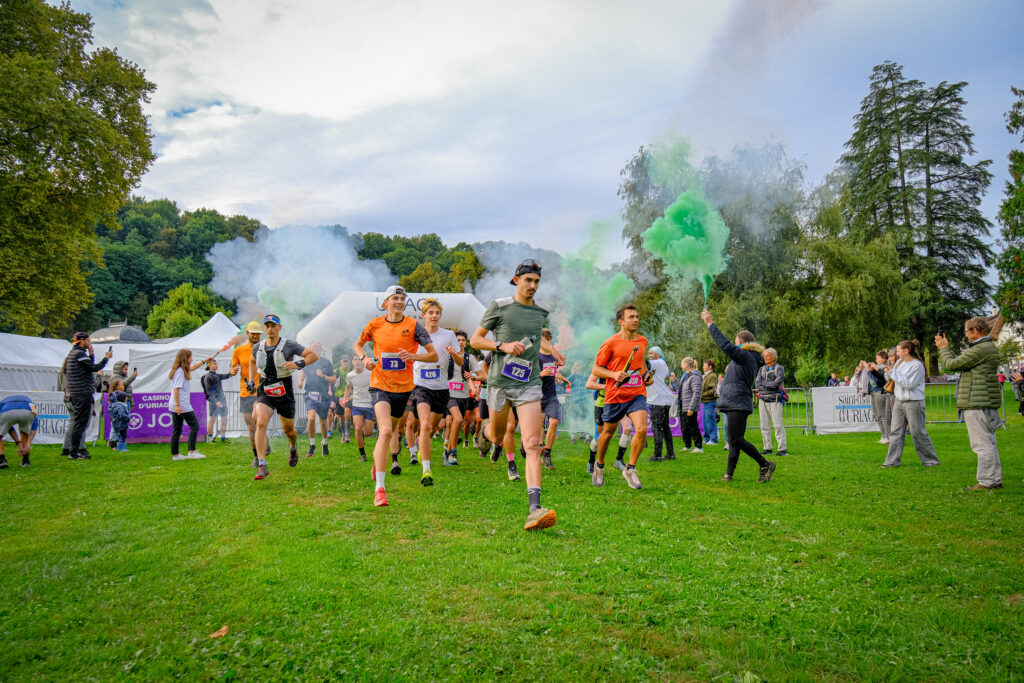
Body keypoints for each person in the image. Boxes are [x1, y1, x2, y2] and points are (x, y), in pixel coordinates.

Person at [470, 259, 558, 530]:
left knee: (532, 443)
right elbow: (475, 340)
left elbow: (536, 337)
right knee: (498, 436)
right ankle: (484, 434)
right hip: (499, 383)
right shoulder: (500, 306)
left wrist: (554, 351)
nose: (533, 285)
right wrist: (503, 346)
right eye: (528, 280)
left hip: (528, 383)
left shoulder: (542, 310)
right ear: (516, 280)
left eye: (537, 281)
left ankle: (534, 509)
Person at [354, 285, 437, 506]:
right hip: (380, 385)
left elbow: (433, 355)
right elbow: (358, 345)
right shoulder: (375, 324)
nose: (399, 302)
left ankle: (377, 460)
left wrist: (411, 355)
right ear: (386, 303)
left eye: (402, 298)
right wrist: (364, 359)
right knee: (385, 431)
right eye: (395, 298)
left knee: (392, 430)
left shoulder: (414, 326)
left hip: (403, 389)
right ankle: (380, 489)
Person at [701, 310, 776, 483]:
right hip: (735, 401)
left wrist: (710, 324)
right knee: (734, 440)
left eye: (736, 340)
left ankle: (765, 464)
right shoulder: (745, 357)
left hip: (738, 402)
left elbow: (726, 346)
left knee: (736, 439)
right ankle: (729, 474)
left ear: (742, 342)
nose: (735, 343)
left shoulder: (745, 355)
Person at [250, 314, 319, 480]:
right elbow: (252, 361)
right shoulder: (258, 347)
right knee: (260, 421)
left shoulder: (289, 345)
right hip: (265, 388)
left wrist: (297, 364)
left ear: (279, 327)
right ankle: (262, 465)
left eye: (273, 326)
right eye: (267, 326)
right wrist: (252, 380)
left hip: (284, 390)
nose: (270, 329)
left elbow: (312, 355)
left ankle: (293, 447)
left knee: (289, 430)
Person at [937, 318, 1002, 490]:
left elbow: (951, 364)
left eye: (966, 331)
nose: (965, 335)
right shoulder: (986, 347)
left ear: (975, 330)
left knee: (982, 444)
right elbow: (960, 363)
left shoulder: (980, 349)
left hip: (977, 402)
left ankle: (987, 481)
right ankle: (993, 479)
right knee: (988, 442)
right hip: (983, 400)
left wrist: (943, 348)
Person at [591, 304, 651, 490]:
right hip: (615, 395)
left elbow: (640, 364)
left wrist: (646, 375)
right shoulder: (611, 343)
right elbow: (596, 369)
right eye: (631, 317)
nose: (636, 320)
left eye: (637, 316)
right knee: (607, 433)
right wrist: (614, 375)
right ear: (621, 321)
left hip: (636, 393)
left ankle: (630, 468)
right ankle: (599, 465)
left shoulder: (642, 341)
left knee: (641, 429)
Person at [411, 297, 460, 485]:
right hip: (421, 386)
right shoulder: (415, 335)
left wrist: (454, 354)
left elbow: (460, 362)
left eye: (437, 313)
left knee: (431, 429)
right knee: (425, 425)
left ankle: (421, 443)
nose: (434, 316)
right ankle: (426, 470)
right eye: (430, 313)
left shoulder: (449, 335)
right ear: (423, 315)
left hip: (441, 388)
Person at [882, 340, 939, 468]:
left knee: (917, 432)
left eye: (898, 351)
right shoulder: (899, 363)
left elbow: (909, 384)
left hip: (914, 402)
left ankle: (930, 460)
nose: (896, 353)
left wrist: (892, 373)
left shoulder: (917, 366)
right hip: (899, 401)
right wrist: (888, 373)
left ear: (906, 351)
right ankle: (891, 462)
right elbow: (891, 379)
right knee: (895, 432)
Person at [61, 332, 111, 460]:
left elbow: (87, 367)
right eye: (88, 341)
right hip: (82, 394)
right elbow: (94, 367)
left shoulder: (73, 354)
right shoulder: (79, 354)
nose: (89, 343)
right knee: (80, 425)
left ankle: (74, 451)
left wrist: (91, 355)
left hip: (75, 393)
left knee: (76, 424)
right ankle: (75, 452)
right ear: (82, 341)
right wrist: (106, 358)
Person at [231, 321, 265, 467]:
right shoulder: (239, 350)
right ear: (247, 333)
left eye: (258, 334)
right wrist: (232, 370)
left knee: (259, 422)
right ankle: (256, 456)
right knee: (251, 426)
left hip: (262, 391)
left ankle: (262, 450)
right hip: (246, 391)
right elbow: (233, 367)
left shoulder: (265, 348)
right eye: (253, 333)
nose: (256, 336)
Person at [168, 349, 212, 462]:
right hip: (181, 404)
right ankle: (191, 452)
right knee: (195, 425)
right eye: (191, 357)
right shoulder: (180, 372)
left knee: (177, 429)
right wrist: (178, 406)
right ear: (185, 358)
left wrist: (205, 360)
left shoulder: (182, 369)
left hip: (176, 403)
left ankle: (176, 455)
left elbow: (193, 367)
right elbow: (176, 389)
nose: (192, 359)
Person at [538, 328, 570, 469]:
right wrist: (541, 374)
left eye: (549, 339)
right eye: (545, 339)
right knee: (538, 426)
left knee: (554, 422)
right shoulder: (535, 356)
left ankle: (547, 454)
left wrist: (563, 379)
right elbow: (527, 376)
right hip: (536, 395)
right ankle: (538, 448)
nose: (548, 342)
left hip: (551, 395)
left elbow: (553, 372)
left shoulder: (553, 357)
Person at [298, 341, 336, 458]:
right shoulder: (307, 360)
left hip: (323, 395)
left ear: (321, 349)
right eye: (313, 347)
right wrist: (301, 381)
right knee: (311, 418)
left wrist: (323, 376)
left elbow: (334, 379)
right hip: (310, 394)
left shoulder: (326, 362)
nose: (315, 349)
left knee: (323, 422)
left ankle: (324, 443)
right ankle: (312, 445)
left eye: (317, 347)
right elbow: (304, 371)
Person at [445, 330, 477, 465]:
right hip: (448, 394)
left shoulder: (470, 358)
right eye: (458, 340)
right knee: (456, 420)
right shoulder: (447, 356)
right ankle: (453, 452)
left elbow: (480, 374)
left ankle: (448, 451)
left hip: (463, 396)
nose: (461, 342)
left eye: (463, 340)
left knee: (457, 423)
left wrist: (473, 378)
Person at [755, 348, 788, 457]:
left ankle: (782, 449)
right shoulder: (761, 369)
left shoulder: (780, 368)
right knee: (764, 426)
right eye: (764, 356)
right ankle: (767, 448)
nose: (765, 357)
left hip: (775, 400)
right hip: (762, 400)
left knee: (778, 425)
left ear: (774, 357)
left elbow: (776, 384)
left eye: (768, 356)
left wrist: (764, 383)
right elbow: (757, 384)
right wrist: (769, 383)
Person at [646, 346, 675, 462]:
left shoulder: (658, 362)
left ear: (657, 354)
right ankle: (670, 454)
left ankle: (657, 455)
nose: (649, 356)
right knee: (665, 427)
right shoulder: (662, 364)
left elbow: (644, 363)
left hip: (658, 400)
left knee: (657, 427)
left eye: (651, 353)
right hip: (664, 398)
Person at [345, 355, 375, 462]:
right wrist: (345, 398)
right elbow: (348, 387)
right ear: (352, 362)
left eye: (359, 359)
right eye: (355, 359)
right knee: (357, 428)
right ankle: (363, 455)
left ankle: (362, 437)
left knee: (368, 433)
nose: (357, 361)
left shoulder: (370, 373)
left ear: (363, 362)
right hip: (356, 404)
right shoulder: (350, 375)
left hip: (369, 405)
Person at [201, 359, 236, 443]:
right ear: (209, 365)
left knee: (224, 419)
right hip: (214, 402)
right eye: (214, 363)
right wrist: (216, 401)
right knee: (212, 420)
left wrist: (233, 369)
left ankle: (223, 438)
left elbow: (228, 375)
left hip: (222, 400)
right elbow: (208, 392)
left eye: (216, 363)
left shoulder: (217, 376)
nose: (216, 365)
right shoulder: (207, 377)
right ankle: (210, 439)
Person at [0, 394, 38, 468]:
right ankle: (25, 461)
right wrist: (28, 443)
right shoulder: (30, 403)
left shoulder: (3, 403)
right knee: (24, 433)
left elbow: (9, 427)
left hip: (7, 412)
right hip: (27, 412)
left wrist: (18, 443)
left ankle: (2, 460)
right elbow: (34, 426)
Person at [862, 351, 890, 444]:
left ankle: (887, 436)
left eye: (878, 358)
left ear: (884, 359)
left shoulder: (883, 368)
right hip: (873, 392)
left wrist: (869, 370)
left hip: (880, 392)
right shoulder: (876, 367)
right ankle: (883, 435)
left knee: (882, 415)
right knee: (877, 415)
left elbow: (879, 381)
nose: (876, 360)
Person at [677, 357, 703, 453]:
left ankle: (699, 447)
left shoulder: (695, 377)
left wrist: (691, 408)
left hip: (689, 406)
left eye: (682, 363)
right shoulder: (687, 376)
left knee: (692, 426)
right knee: (685, 427)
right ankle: (687, 445)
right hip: (684, 405)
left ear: (687, 364)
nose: (681, 365)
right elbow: (682, 389)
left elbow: (696, 393)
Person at [700, 359, 719, 445]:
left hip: (710, 401)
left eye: (705, 365)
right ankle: (707, 438)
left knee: (710, 421)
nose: (703, 367)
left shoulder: (712, 376)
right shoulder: (706, 375)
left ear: (710, 367)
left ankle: (713, 439)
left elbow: (713, 390)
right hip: (705, 401)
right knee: (705, 421)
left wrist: (703, 394)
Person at [108, 384, 130, 452]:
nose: (127, 398)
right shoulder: (120, 406)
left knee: (119, 435)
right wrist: (127, 418)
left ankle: (119, 447)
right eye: (126, 397)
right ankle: (120, 447)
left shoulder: (116, 405)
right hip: (120, 423)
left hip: (118, 422)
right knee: (121, 435)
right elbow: (121, 414)